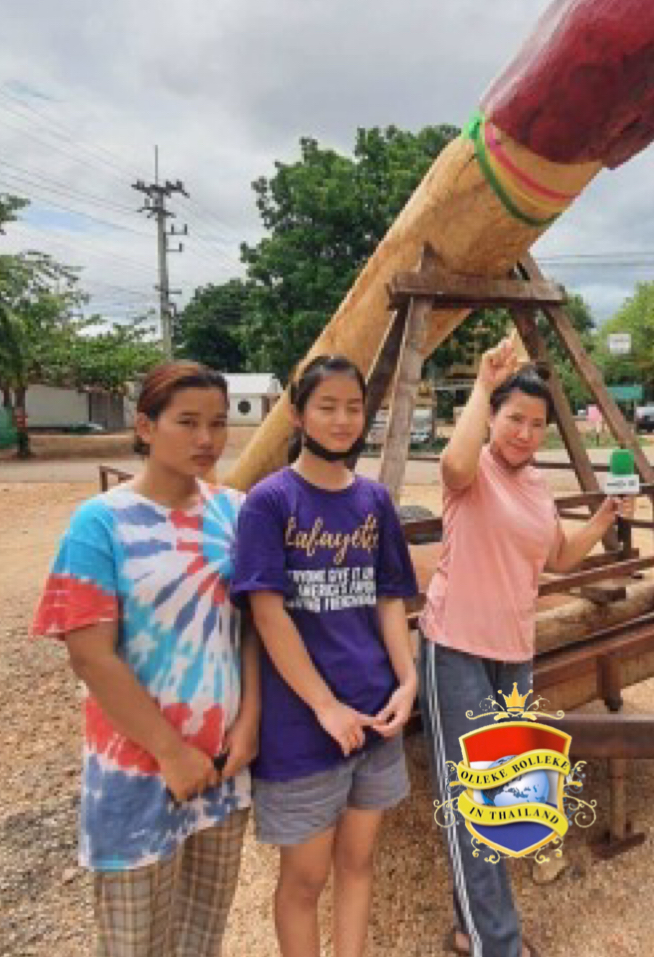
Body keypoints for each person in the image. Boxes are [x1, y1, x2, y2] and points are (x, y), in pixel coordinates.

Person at [31, 361, 258, 957]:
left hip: (223, 766)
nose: (206, 439)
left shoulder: (235, 513)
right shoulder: (100, 523)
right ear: (145, 426)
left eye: (216, 422)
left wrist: (250, 724)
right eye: (186, 422)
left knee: (201, 936)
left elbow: (252, 629)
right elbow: (92, 657)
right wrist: (171, 752)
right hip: (138, 771)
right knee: (136, 943)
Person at [420, 336, 634, 957]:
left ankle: (473, 928)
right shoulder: (473, 469)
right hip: (456, 647)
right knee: (468, 800)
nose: (524, 432)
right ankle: (497, 943)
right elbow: (453, 468)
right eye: (514, 418)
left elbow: (559, 555)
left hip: (513, 652)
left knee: (500, 797)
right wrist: (486, 382)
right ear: (492, 417)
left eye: (536, 424)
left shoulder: (537, 483)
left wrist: (604, 516)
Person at [230, 355, 420, 957]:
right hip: (304, 728)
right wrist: (325, 706)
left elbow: (390, 597)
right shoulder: (270, 501)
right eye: (327, 406)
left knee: (359, 864)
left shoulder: (373, 500)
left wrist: (408, 679)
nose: (342, 420)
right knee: (305, 880)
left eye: (354, 407)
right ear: (297, 412)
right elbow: (267, 612)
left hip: (376, 714)